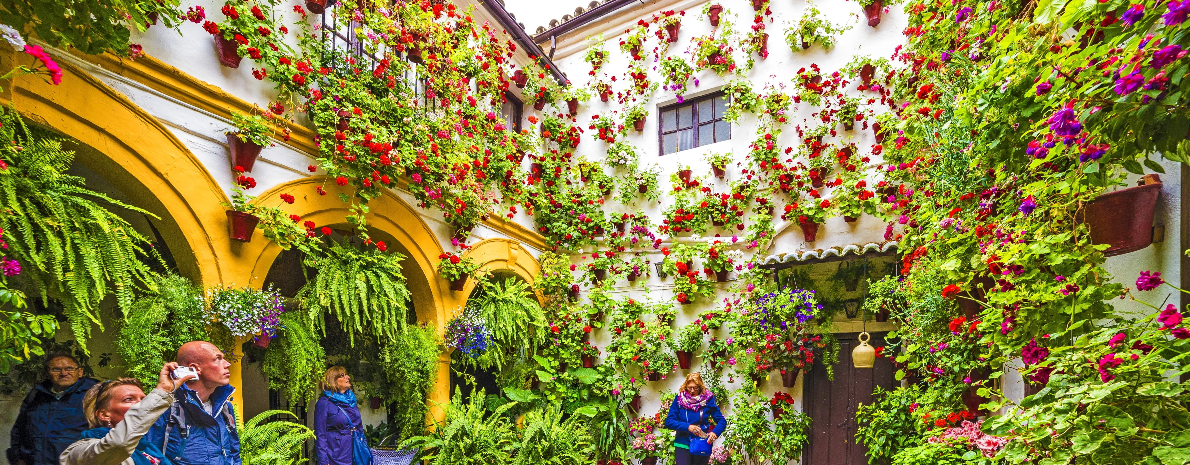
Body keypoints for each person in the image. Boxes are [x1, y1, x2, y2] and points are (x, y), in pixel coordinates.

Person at [59, 362, 197, 465]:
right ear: (103, 414)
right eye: (128, 399)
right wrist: (163, 391)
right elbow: (118, 444)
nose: (140, 404)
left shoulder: (148, 449)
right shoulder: (79, 452)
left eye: (144, 399)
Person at [144, 341, 241, 465]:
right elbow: (149, 457)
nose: (227, 364)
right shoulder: (167, 408)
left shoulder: (225, 408)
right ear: (195, 368)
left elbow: (234, 454)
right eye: (218, 359)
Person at [7, 353, 99, 465]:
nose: (63, 373)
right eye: (56, 369)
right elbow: (19, 429)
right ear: (47, 373)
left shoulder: (95, 394)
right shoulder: (37, 394)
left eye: (69, 368)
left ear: (80, 372)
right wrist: (17, 458)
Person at [663, 373, 726, 465]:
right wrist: (688, 427)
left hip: (702, 444)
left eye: (695, 388)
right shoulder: (679, 399)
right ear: (686, 386)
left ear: (700, 387)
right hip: (682, 443)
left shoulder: (708, 399)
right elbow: (669, 422)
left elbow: (721, 421)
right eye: (690, 387)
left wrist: (714, 433)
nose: (692, 391)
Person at [313, 366, 373, 465]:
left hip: (354, 451)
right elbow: (320, 433)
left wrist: (363, 447)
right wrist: (323, 460)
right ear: (333, 380)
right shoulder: (324, 403)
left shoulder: (351, 401)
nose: (348, 377)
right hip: (335, 454)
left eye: (346, 374)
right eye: (342, 375)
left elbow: (359, 427)